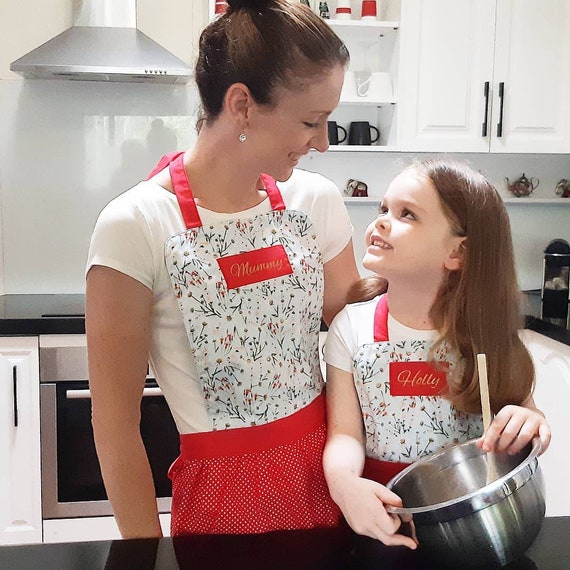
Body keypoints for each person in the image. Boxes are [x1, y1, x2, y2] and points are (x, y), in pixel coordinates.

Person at [86, 0, 359, 539]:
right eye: (311, 121)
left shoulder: (316, 203)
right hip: (221, 506)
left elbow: (370, 346)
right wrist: (147, 557)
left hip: (331, 481)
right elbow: (115, 427)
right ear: (242, 104)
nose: (324, 143)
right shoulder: (136, 224)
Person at [322, 159, 551, 549]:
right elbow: (345, 434)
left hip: (473, 521)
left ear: (457, 252)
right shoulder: (351, 328)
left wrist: (530, 423)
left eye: (406, 214)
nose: (380, 221)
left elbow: (530, 418)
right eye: (384, 209)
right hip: (382, 516)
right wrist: (344, 485)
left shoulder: (486, 333)